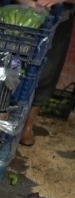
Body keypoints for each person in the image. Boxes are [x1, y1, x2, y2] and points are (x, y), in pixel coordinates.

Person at [17, 0, 75, 146]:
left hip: (60, 17)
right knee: (16, 65)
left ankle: (27, 126)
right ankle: (4, 121)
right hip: (21, 12)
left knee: (48, 69)